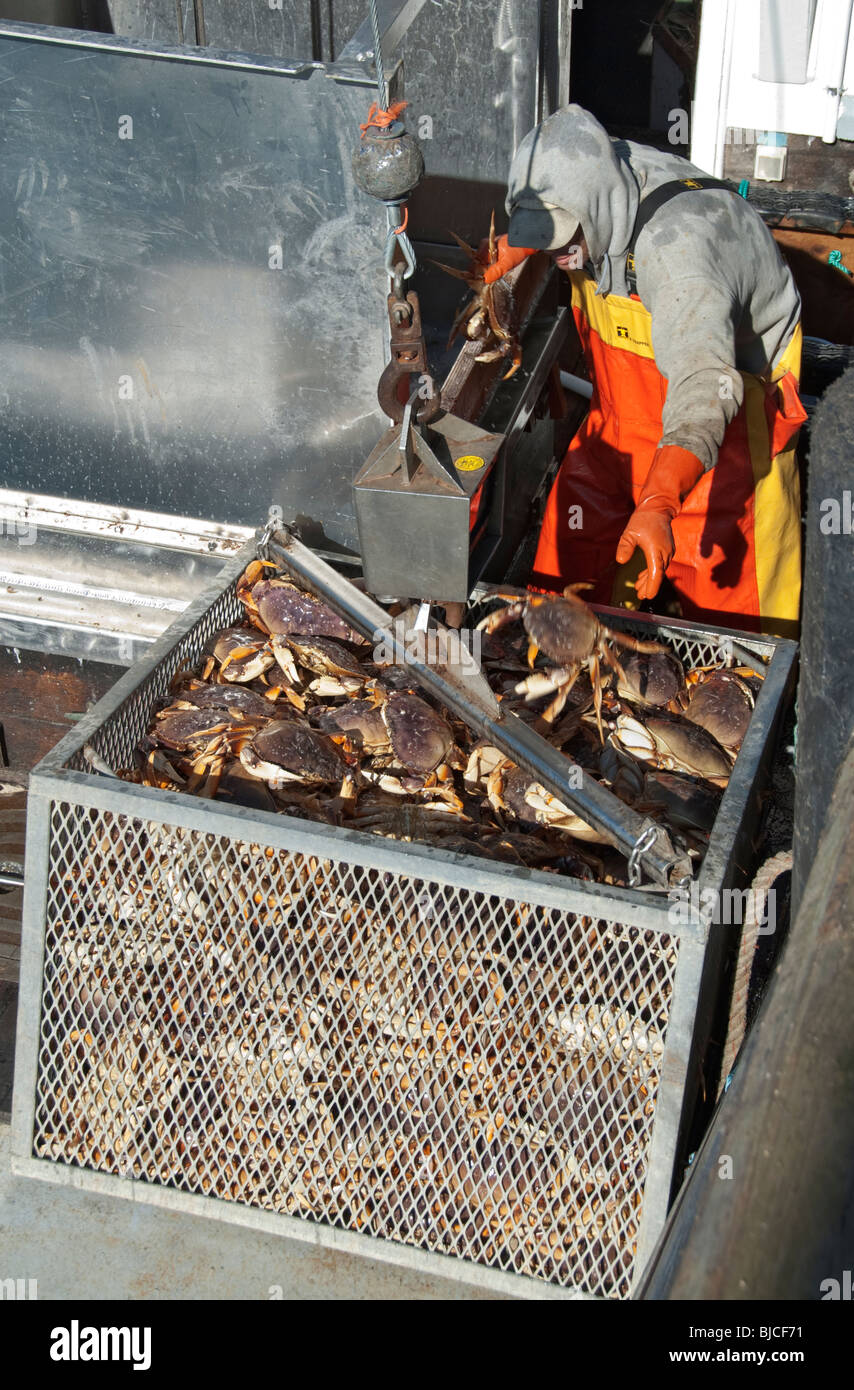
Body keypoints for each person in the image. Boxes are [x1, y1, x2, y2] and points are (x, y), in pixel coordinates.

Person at [485, 105, 806, 636]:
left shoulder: (680, 253)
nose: (560, 254)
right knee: (566, 568)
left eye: (567, 239)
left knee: (736, 628)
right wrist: (504, 254)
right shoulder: (602, 185)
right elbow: (552, 212)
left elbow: (707, 384)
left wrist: (659, 502)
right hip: (621, 424)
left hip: (725, 442)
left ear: (603, 205)